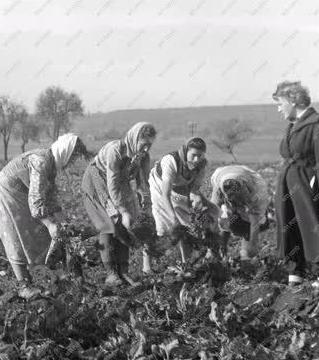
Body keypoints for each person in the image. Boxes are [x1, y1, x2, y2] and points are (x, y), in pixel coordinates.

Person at [0, 133, 92, 297]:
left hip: (20, 194)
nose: (71, 163)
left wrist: (64, 223)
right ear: (66, 152)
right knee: (16, 234)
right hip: (6, 194)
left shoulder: (50, 165)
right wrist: (50, 225)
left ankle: (67, 279)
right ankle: (24, 286)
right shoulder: (41, 161)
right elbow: (36, 201)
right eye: (72, 157)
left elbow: (50, 198)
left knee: (54, 232)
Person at [272, 81, 319, 285]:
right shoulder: (292, 126)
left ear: (293, 100)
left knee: (312, 227)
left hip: (308, 186)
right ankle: (295, 273)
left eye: (280, 103)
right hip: (288, 184)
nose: (279, 108)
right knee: (290, 227)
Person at [82, 122, 156, 285]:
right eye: (143, 144)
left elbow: (143, 182)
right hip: (97, 181)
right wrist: (122, 210)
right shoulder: (115, 150)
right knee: (108, 225)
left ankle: (124, 271)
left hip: (120, 184)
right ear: (134, 138)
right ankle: (110, 273)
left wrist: (147, 206)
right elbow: (112, 183)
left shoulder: (143, 157)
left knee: (125, 226)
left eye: (149, 145)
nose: (146, 149)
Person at [148, 137, 219, 267]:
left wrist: (197, 201)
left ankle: (185, 263)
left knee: (186, 225)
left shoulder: (201, 166)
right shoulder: (171, 162)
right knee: (164, 225)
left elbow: (194, 190)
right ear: (186, 151)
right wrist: (174, 219)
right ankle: (149, 264)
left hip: (181, 186)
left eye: (200, 156)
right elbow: (166, 194)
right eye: (193, 155)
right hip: (160, 185)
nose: (196, 159)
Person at [209, 165, 269, 260]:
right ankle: (220, 251)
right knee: (224, 218)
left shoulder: (256, 191)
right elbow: (212, 212)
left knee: (247, 225)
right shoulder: (219, 188)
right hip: (225, 176)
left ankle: (245, 256)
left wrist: (253, 244)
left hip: (250, 189)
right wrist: (211, 245)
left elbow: (255, 219)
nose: (234, 200)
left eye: (236, 197)